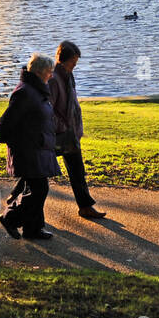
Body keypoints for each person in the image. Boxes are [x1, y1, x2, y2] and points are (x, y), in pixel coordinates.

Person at [0, 54, 59, 240]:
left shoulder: (35, 89)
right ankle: (10, 218)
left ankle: (33, 229)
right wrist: (13, 142)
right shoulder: (25, 92)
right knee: (39, 189)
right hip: (28, 149)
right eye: (49, 72)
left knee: (35, 188)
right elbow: (7, 121)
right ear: (39, 72)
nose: (51, 75)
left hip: (37, 147)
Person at [48, 41, 106, 219]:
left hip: (70, 134)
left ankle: (85, 206)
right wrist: (63, 127)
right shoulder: (54, 79)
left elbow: (71, 104)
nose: (75, 66)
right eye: (73, 62)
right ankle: (17, 205)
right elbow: (49, 109)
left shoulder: (67, 75)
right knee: (39, 173)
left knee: (77, 169)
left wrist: (75, 129)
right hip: (59, 134)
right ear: (62, 60)